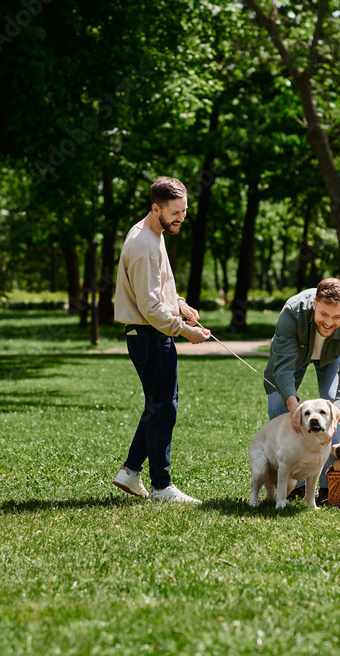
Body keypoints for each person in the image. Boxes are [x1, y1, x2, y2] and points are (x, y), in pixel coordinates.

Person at [111, 176, 212, 503]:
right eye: (175, 212)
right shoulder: (143, 246)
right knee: (162, 408)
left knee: (159, 407)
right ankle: (161, 486)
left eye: (184, 211)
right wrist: (185, 330)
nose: (181, 217)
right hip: (149, 335)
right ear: (156, 208)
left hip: (153, 334)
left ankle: (130, 472)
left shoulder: (153, 232)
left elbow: (160, 289)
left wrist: (180, 304)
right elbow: (150, 307)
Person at [263, 278, 340, 504]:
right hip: (294, 356)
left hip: (332, 356)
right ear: (313, 303)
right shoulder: (292, 312)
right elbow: (282, 368)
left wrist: (339, 410)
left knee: (331, 409)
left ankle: (329, 487)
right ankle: (298, 486)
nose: (329, 322)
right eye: (324, 314)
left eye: (337, 317)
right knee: (279, 407)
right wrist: (293, 408)